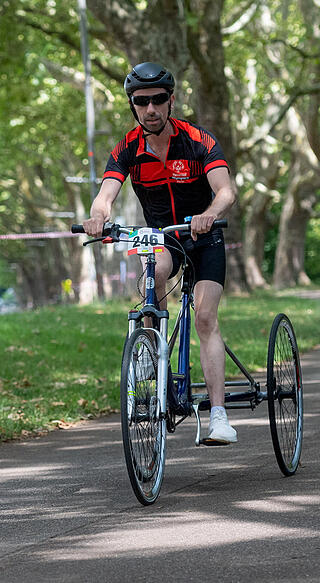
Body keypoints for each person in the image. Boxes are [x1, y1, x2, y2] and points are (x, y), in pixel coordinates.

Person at [81, 62, 238, 444]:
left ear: (170, 100)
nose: (151, 109)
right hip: (162, 237)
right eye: (141, 102)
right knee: (155, 271)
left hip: (204, 236)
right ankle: (150, 355)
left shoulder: (198, 140)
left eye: (158, 100)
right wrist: (97, 218)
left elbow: (226, 191)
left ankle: (218, 416)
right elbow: (105, 197)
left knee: (204, 318)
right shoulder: (127, 149)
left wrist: (209, 215)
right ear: (132, 106)